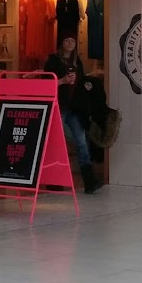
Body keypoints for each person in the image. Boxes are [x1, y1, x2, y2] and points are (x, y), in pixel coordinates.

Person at [45, 33, 101, 194]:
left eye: (72, 41)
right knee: (55, 141)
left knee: (81, 142)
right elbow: (46, 82)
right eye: (67, 40)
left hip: (74, 107)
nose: (70, 43)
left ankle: (89, 181)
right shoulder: (53, 60)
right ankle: (54, 180)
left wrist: (86, 85)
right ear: (61, 43)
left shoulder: (78, 62)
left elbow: (80, 81)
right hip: (59, 105)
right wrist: (62, 81)